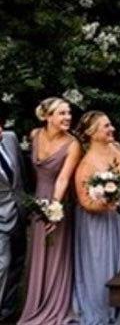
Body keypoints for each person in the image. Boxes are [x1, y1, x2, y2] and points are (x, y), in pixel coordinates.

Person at [19, 98, 82, 325]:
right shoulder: (35, 135)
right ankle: (36, 304)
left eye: (69, 113)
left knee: (55, 251)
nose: (68, 117)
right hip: (37, 199)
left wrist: (54, 210)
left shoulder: (73, 144)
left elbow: (63, 179)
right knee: (38, 251)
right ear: (47, 117)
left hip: (58, 201)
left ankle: (54, 305)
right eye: (62, 113)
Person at [72, 111, 120, 325]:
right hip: (97, 224)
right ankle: (101, 309)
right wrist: (105, 204)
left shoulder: (117, 148)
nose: (112, 129)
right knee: (101, 265)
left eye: (111, 124)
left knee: (119, 261)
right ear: (92, 133)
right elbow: (85, 202)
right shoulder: (86, 164)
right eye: (106, 126)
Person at [0, 104, 27, 323]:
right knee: (2, 264)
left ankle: (7, 312)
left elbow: (22, 175)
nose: (0, 131)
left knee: (17, 263)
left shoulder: (10, 139)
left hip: (19, 213)